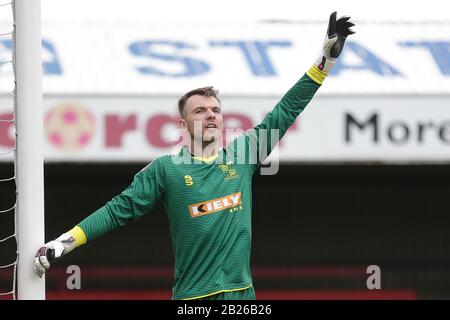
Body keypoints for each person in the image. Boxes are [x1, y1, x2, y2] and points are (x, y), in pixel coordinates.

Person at [33, 12, 355, 300]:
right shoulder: (166, 169)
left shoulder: (243, 154)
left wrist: (324, 63)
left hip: (243, 295)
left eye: (216, 110)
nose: (211, 115)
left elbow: (285, 111)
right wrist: (65, 242)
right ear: (183, 123)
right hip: (194, 299)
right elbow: (118, 211)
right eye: (200, 111)